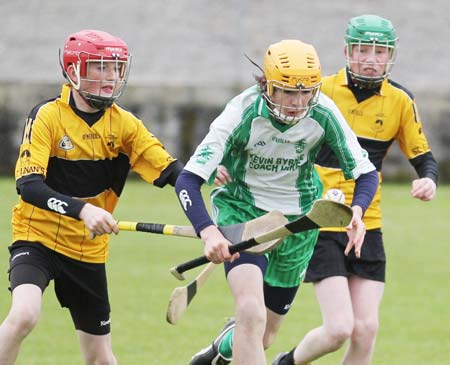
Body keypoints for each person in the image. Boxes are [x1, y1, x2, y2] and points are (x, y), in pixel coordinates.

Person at [174, 39, 379, 365]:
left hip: (299, 225)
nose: (298, 103)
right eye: (288, 91)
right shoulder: (242, 112)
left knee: (265, 336)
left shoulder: (323, 111)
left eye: (306, 92)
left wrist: (357, 211)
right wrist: (209, 232)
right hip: (242, 213)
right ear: (268, 85)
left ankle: (218, 352)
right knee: (251, 312)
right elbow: (188, 179)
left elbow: (366, 173)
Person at [0, 29, 183, 365]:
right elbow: (29, 186)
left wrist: (205, 177)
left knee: (100, 357)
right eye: (101, 67)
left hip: (87, 250)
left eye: (116, 68)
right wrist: (83, 210)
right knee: (24, 315)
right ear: (73, 71)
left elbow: (172, 172)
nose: (111, 78)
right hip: (36, 237)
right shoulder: (47, 117)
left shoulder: (126, 125)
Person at [272, 15, 438, 365]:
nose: (370, 58)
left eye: (379, 51)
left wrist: (428, 179)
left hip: (368, 225)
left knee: (366, 329)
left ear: (390, 55)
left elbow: (423, 156)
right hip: (321, 221)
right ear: (348, 51)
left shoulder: (400, 101)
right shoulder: (321, 90)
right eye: (363, 49)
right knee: (339, 329)